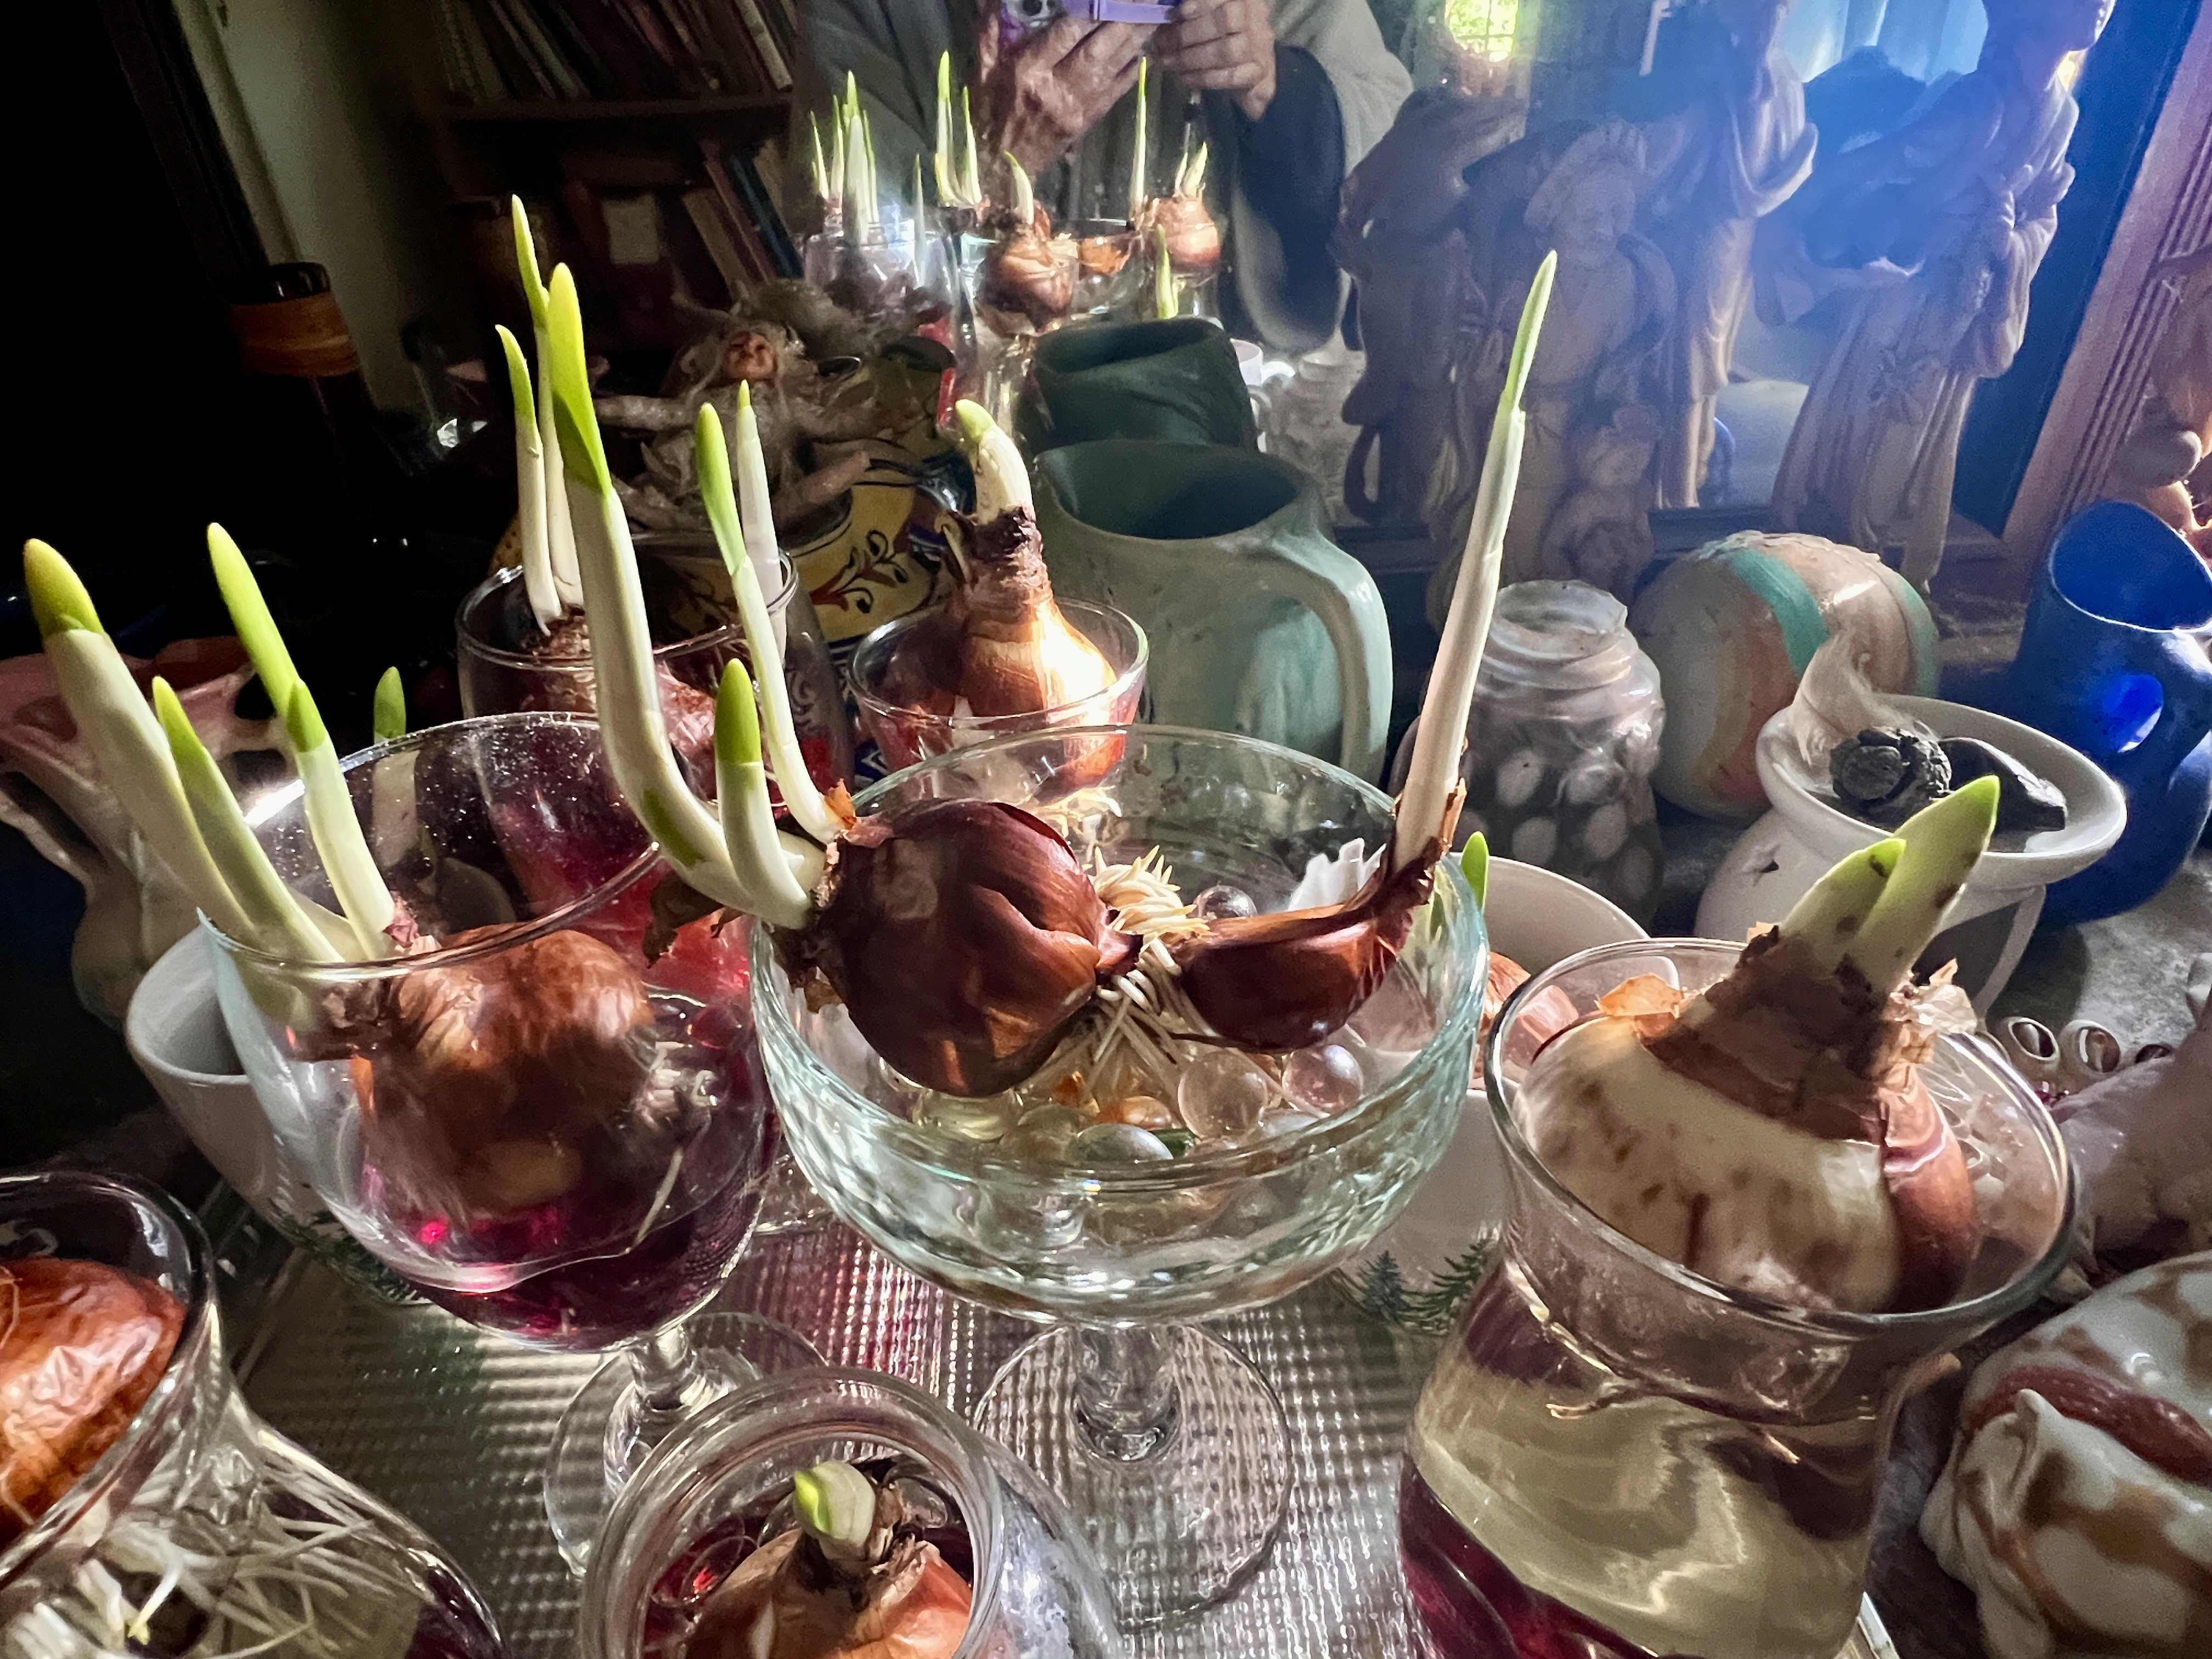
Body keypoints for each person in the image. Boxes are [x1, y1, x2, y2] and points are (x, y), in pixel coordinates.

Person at [790, 0, 1411, 352]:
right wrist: (992, 167)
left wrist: (1273, 82)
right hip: (970, 405)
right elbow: (849, 279)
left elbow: (1398, 164)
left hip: (1220, 384)